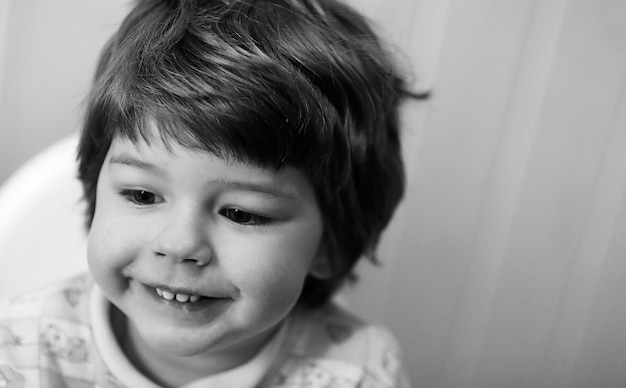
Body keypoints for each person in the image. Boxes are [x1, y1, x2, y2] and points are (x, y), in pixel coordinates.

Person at [0, 0, 423, 386]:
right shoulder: (25, 342)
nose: (179, 244)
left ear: (331, 243)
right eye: (142, 196)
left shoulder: (358, 372)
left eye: (241, 213)